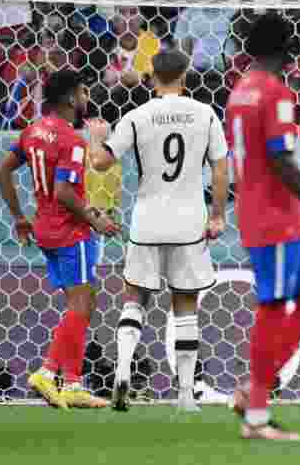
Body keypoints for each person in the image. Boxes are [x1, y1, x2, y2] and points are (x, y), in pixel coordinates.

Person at [86, 50, 229, 414]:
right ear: (185, 77)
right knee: (184, 304)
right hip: (188, 222)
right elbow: (219, 169)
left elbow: (101, 163)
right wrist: (217, 216)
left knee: (134, 297)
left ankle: (121, 372)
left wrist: (95, 137)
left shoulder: (138, 115)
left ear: (151, 77)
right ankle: (184, 395)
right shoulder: (205, 114)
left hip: (147, 220)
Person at [226, 12, 300, 441]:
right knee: (274, 308)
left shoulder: (239, 90)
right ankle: (257, 415)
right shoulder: (274, 91)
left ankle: (251, 390)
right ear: (286, 51)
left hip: (267, 214)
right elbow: (281, 160)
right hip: (272, 216)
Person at [0, 69, 119, 409]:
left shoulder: (32, 131)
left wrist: (19, 217)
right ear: (68, 98)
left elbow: (1, 170)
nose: (86, 97)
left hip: (44, 229)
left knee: (82, 305)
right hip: (70, 232)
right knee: (82, 305)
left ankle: (75, 383)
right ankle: (48, 373)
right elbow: (64, 192)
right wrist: (95, 219)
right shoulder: (71, 140)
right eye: (82, 91)